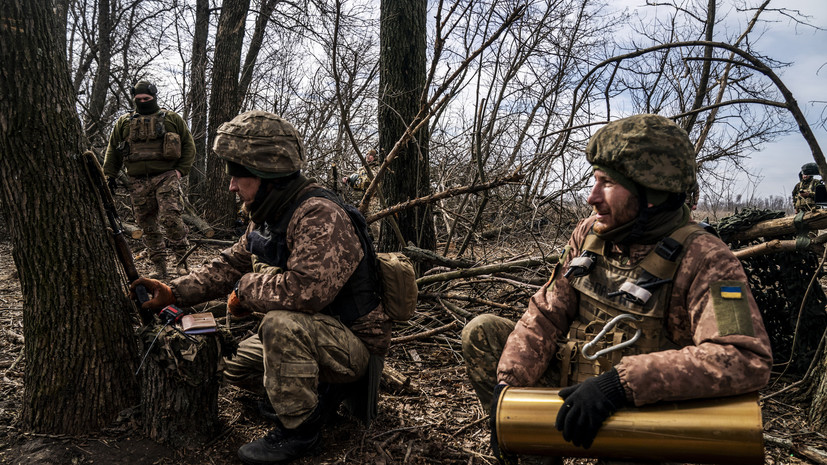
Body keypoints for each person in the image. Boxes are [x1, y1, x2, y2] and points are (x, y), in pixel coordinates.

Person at [461, 114, 772, 463]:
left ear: (651, 192)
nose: (592, 197)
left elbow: (745, 358)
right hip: (574, 385)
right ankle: (537, 450)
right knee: (483, 332)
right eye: (595, 180)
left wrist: (620, 386)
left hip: (646, 409)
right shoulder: (591, 233)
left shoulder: (706, 258)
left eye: (607, 183)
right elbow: (546, 314)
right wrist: (507, 388)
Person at [131, 110, 391, 465]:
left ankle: (300, 432)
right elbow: (228, 265)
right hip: (320, 335)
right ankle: (314, 398)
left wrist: (245, 288)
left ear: (268, 174)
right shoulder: (269, 213)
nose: (231, 186)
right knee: (234, 366)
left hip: (353, 343)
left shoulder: (318, 214)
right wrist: (174, 292)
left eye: (239, 175)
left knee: (279, 324)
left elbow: (306, 293)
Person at [104, 80, 195, 278]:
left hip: (166, 176)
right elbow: (113, 150)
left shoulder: (171, 119)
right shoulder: (124, 122)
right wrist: (109, 175)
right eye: (138, 99)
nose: (143, 102)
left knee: (171, 218)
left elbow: (188, 144)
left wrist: (180, 171)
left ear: (154, 97)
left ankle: (182, 262)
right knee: (147, 224)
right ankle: (160, 267)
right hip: (137, 180)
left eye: (146, 99)